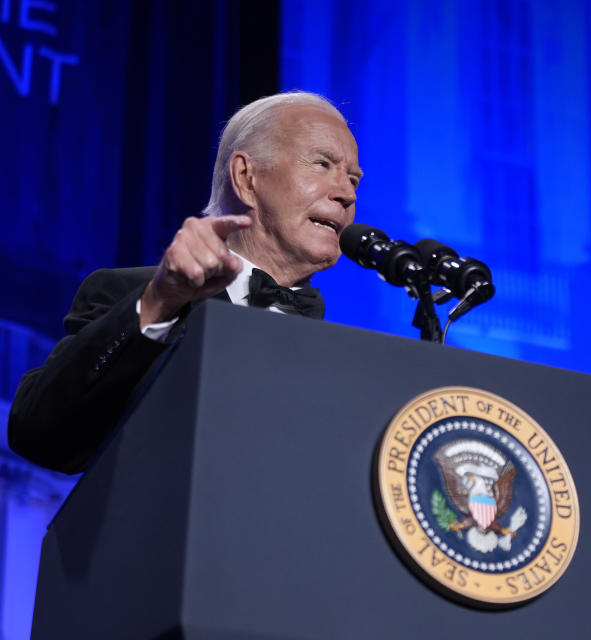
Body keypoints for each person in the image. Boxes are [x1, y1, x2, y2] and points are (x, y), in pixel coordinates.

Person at [8, 91, 363, 473]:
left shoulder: (341, 358)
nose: (346, 193)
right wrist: (161, 302)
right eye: (322, 164)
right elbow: (40, 434)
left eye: (353, 179)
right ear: (246, 177)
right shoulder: (134, 296)